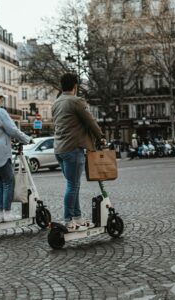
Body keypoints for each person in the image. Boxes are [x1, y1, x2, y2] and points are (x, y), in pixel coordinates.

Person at [52, 73, 105, 232]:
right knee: (73, 185)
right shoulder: (76, 101)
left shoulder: (56, 103)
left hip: (59, 149)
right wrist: (100, 137)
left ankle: (78, 217)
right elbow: (90, 121)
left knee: (73, 184)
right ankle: (68, 220)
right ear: (75, 86)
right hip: (73, 148)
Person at [0, 87, 32, 222]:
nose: (3, 101)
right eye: (2, 99)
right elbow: (12, 130)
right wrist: (27, 139)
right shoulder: (0, 112)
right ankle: (7, 213)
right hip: (0, 153)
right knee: (9, 182)